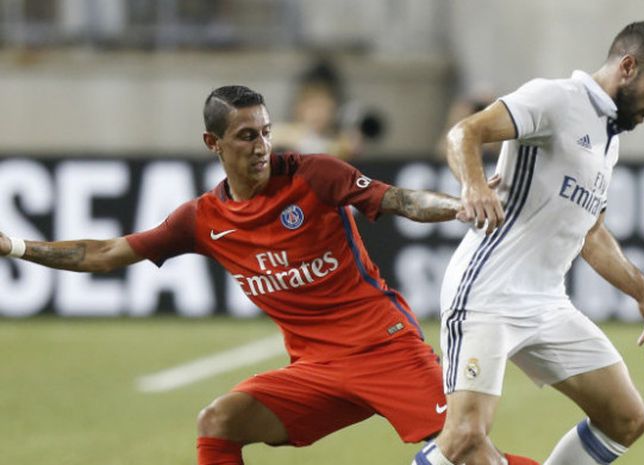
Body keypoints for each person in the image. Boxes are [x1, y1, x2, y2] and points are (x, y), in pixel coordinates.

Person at [0, 85, 525, 465]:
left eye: (266, 133)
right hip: (316, 370)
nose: (260, 146)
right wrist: (16, 246)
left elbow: (400, 200)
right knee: (219, 422)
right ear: (214, 144)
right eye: (246, 135)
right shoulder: (202, 219)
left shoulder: (316, 175)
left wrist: (458, 205)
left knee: (467, 450)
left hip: (383, 349)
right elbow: (107, 253)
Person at [413, 21, 644, 465]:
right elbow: (464, 133)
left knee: (626, 419)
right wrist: (474, 185)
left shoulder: (608, 138)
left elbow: (591, 234)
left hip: (545, 304)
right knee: (464, 438)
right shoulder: (557, 99)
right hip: (488, 293)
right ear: (629, 66)